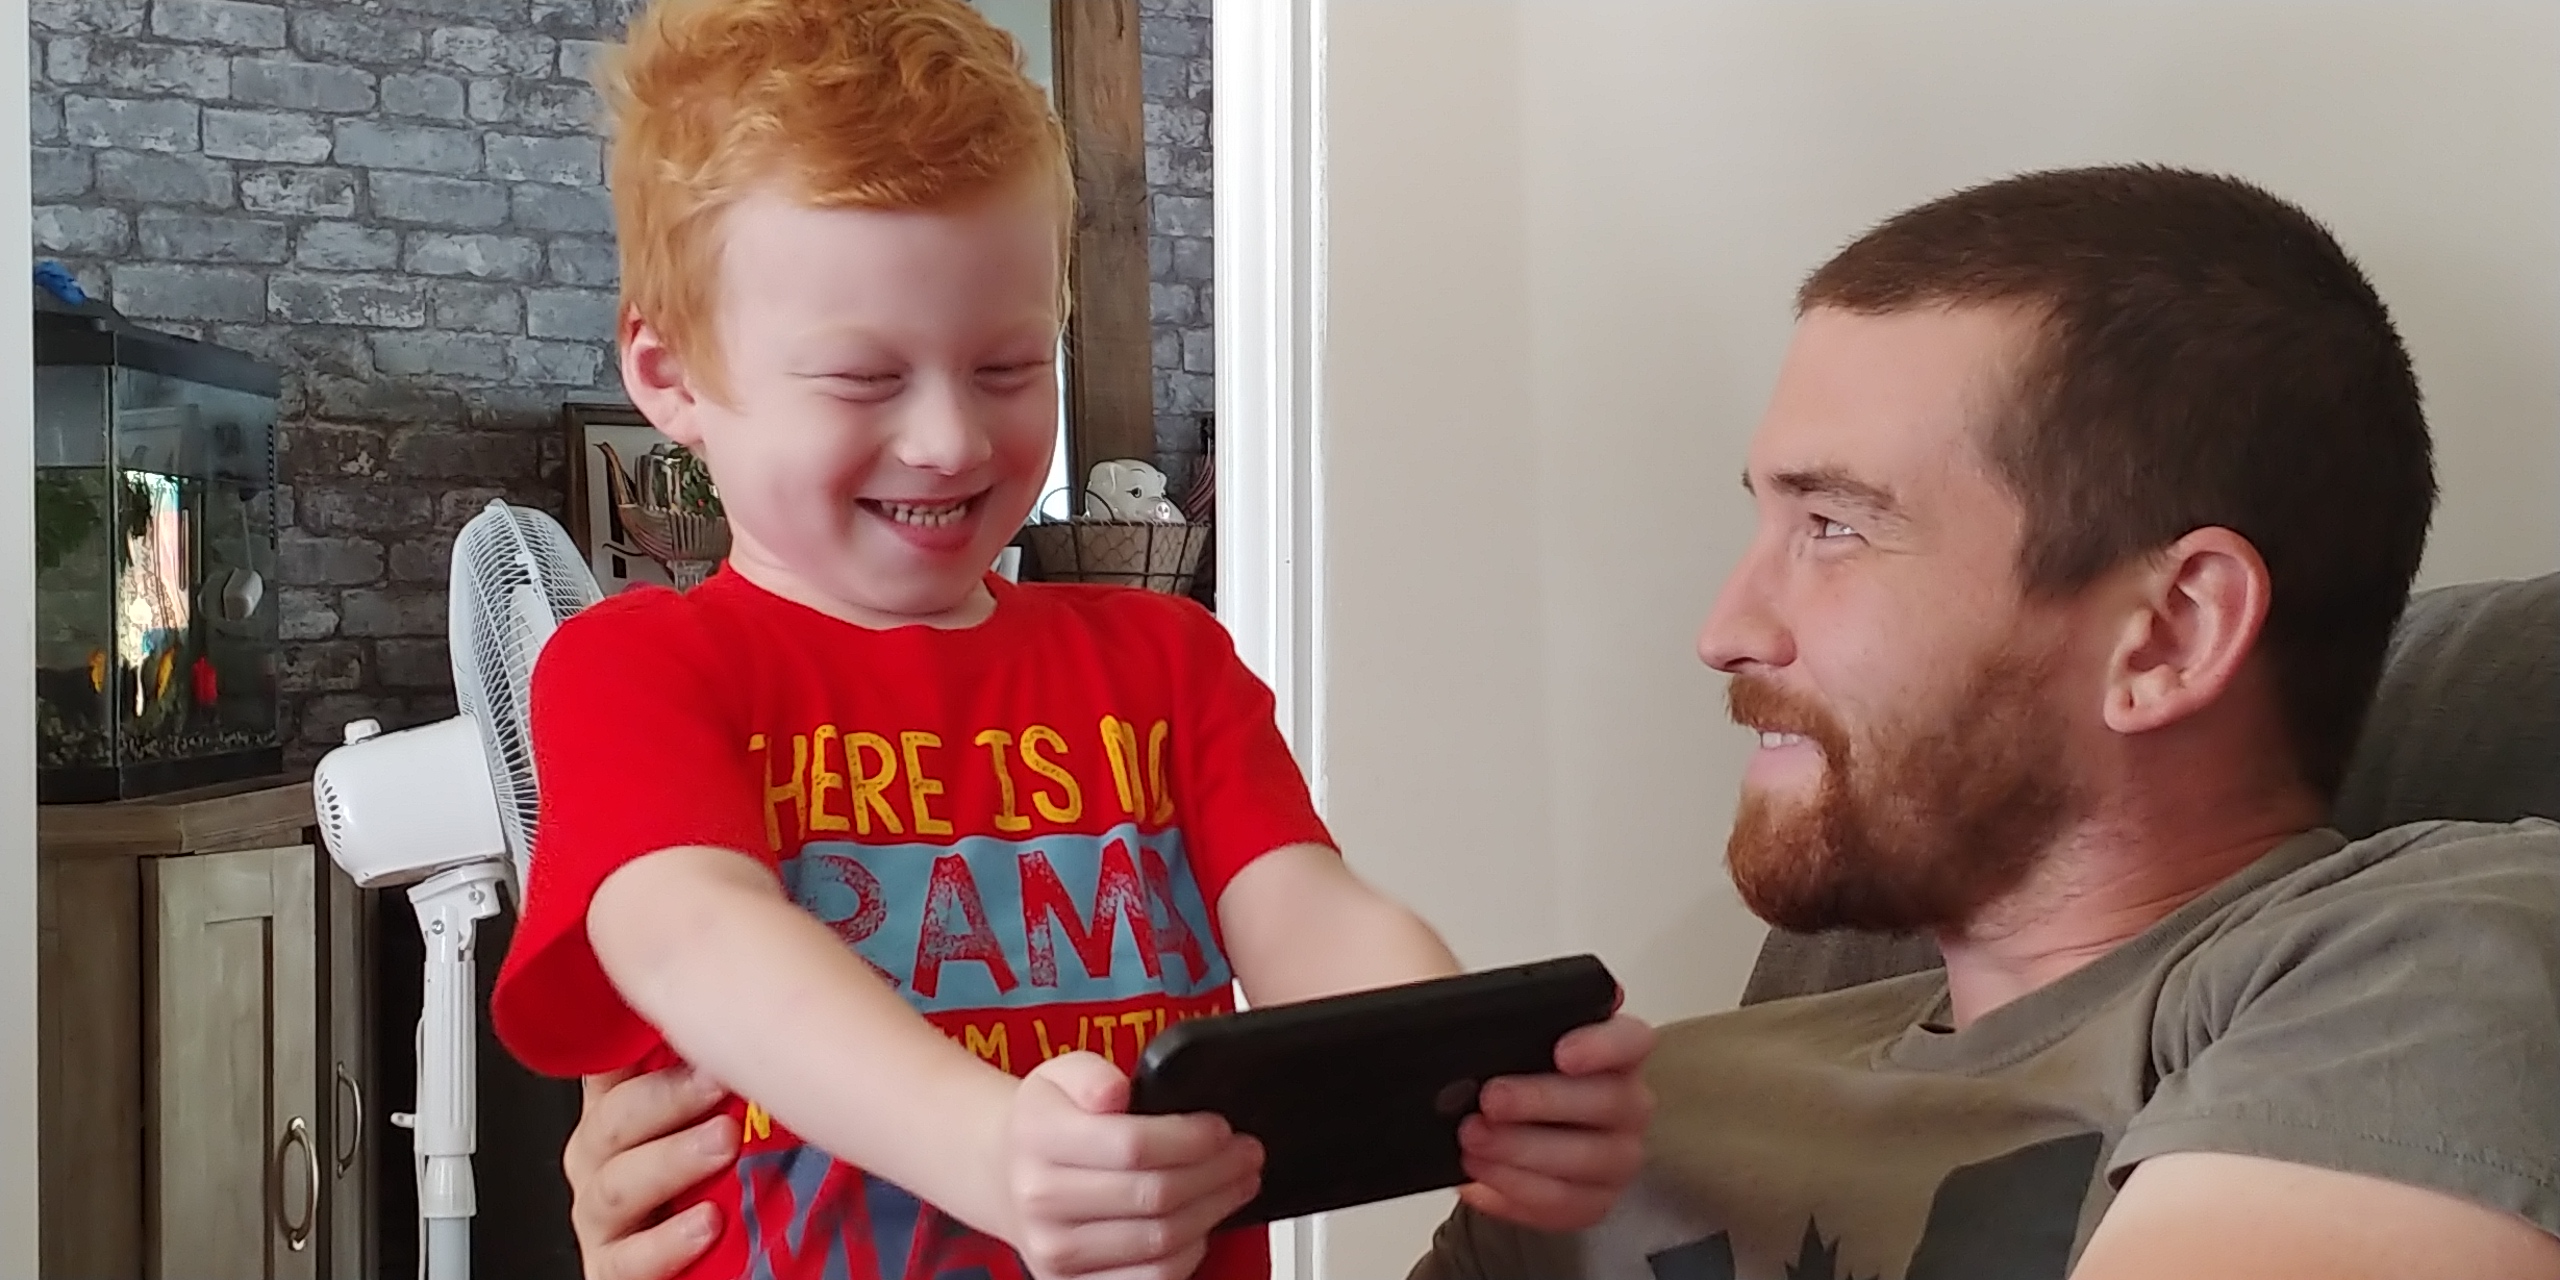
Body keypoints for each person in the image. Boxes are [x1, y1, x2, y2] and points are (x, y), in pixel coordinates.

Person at [559, 163, 2560, 1280]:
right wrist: (821, 1176)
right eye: (1751, 518)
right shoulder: (1654, 1095)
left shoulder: (2408, 958)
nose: (1718, 625)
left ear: (2163, 634)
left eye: (1831, 530)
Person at [486, 2, 1655, 1279]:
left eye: (1005, 367)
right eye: (864, 379)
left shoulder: (1165, 661)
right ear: (670, 375)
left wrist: (1462, 1079)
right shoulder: (638, 667)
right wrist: (986, 1145)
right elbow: (691, 934)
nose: (949, 440)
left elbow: (1307, 910)